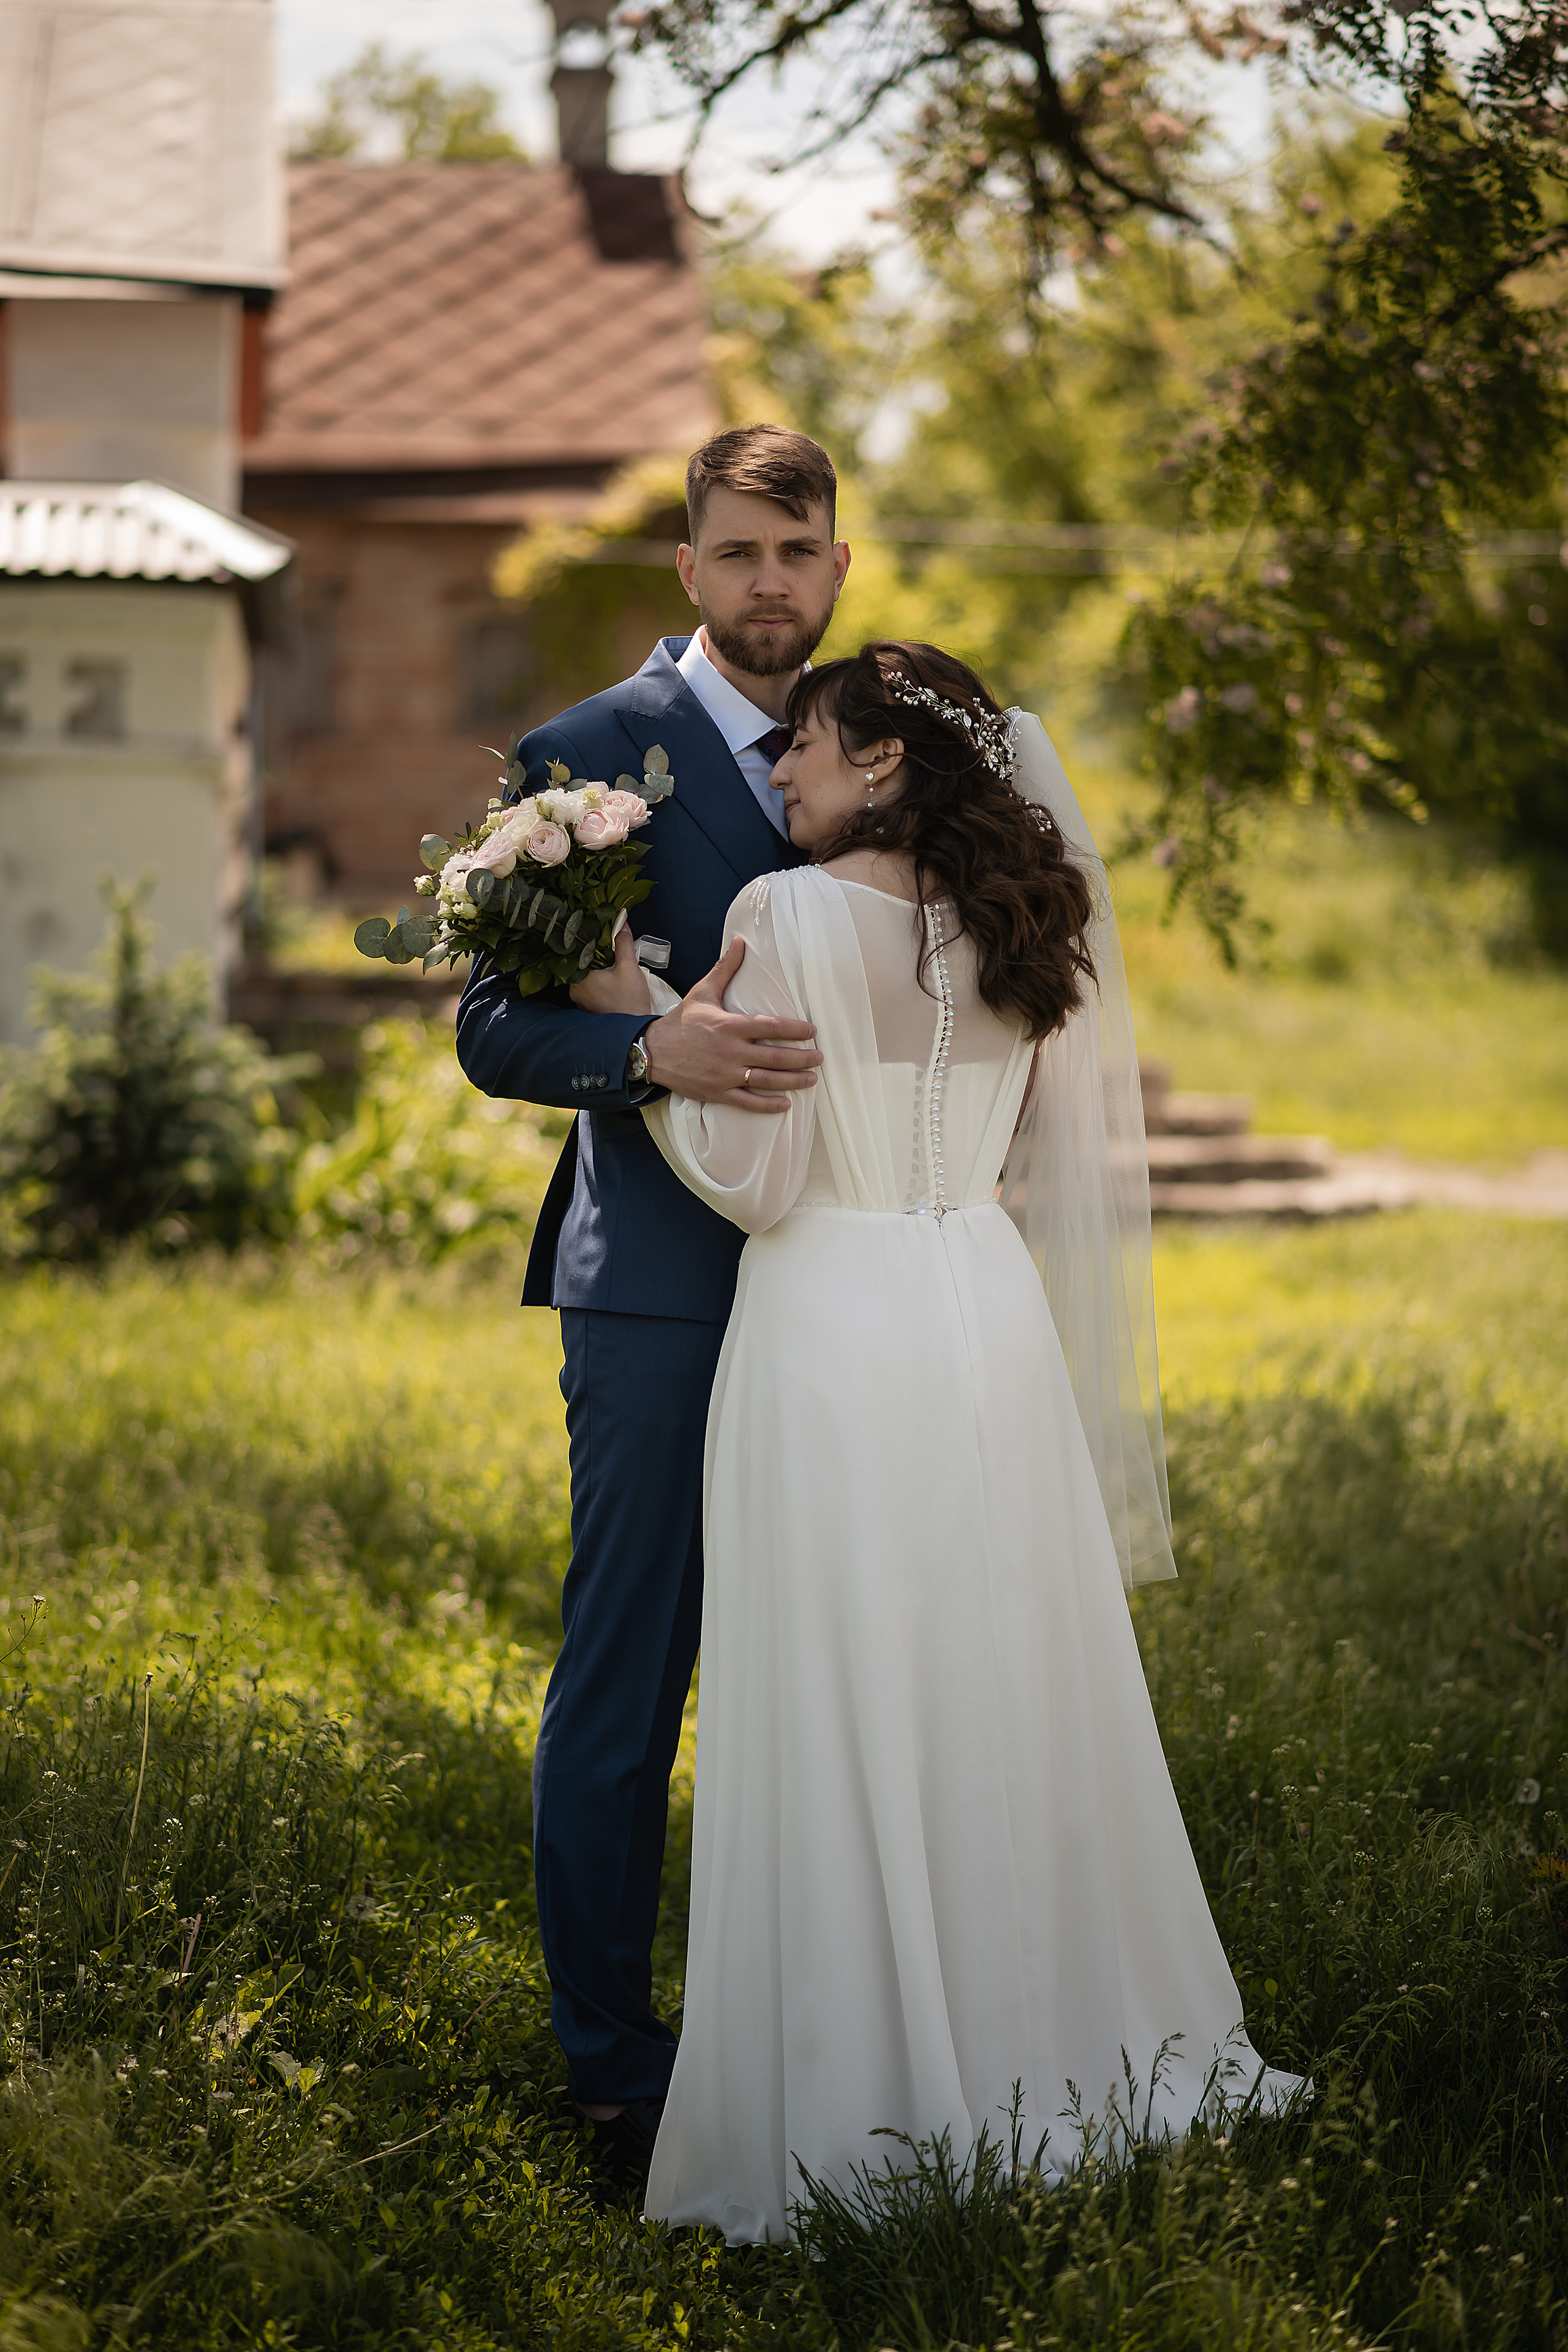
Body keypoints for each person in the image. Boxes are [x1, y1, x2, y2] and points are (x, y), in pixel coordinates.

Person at [572, 639, 1306, 2242]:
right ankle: (1037, 2052)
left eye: (809, 748)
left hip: (831, 1319)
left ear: (887, 762)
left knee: (844, 1690)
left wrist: (644, 1021)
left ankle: (858, 2092)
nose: (779, 774)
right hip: (981, 1309)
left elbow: (757, 1181)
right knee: (999, 1684)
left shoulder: (784, 917)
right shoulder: (1026, 926)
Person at [456, 424, 846, 2184]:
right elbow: (492, 1027)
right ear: (687, 569)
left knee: (836, 1675)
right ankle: (614, 2074)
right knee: (630, 1679)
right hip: (661, 1296)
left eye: (801, 549)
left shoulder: (880, 747)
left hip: (857, 1291)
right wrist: (649, 1044)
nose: (773, 580)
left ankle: (818, 2032)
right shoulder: (590, 758)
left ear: (836, 566)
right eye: (742, 551)